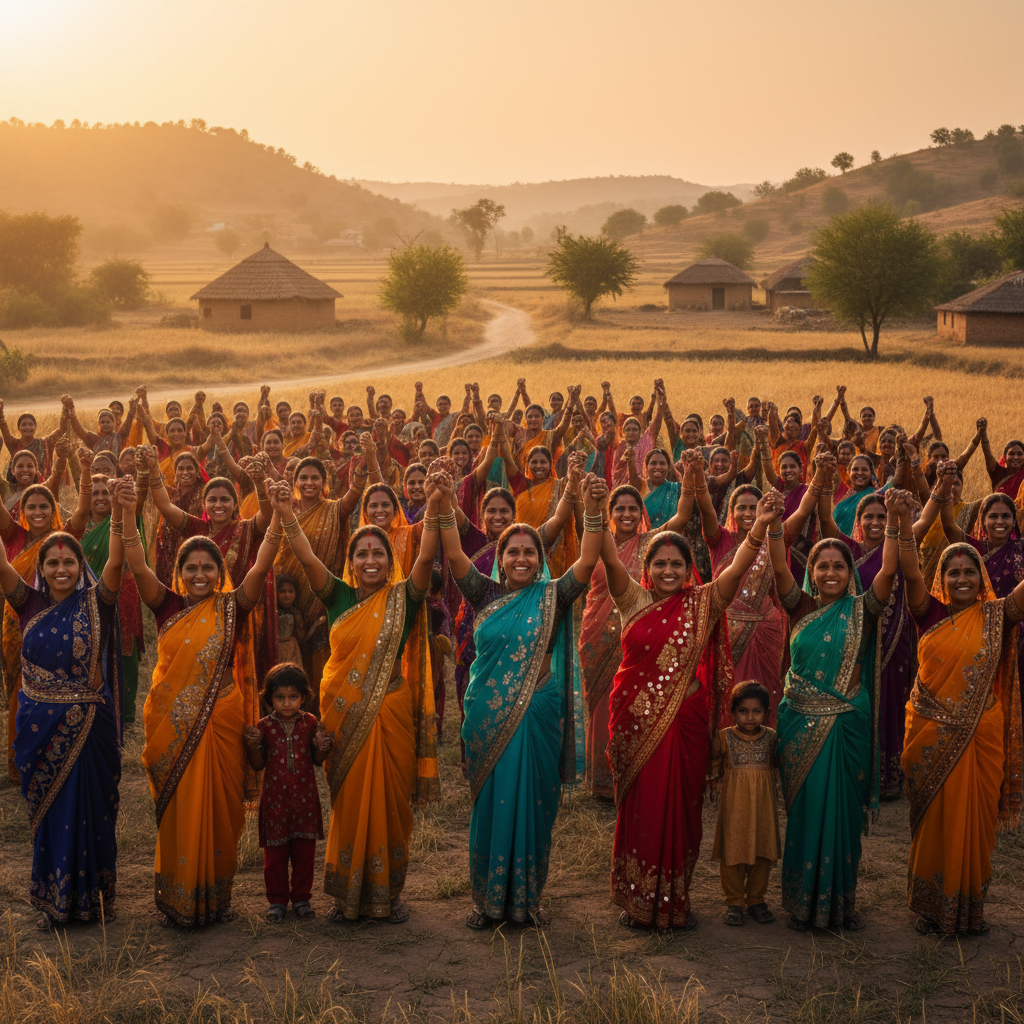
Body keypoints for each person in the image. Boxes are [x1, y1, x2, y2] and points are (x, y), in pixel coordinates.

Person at [601, 492, 780, 930]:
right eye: (659, 563)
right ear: (647, 569)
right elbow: (607, 557)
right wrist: (589, 508)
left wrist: (758, 529)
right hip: (641, 724)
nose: (667, 570)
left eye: (676, 564)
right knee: (643, 808)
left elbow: (736, 569)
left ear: (688, 569)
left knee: (683, 811)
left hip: (688, 723)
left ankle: (674, 899)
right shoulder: (632, 601)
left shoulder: (702, 603)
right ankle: (638, 900)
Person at [439, 470, 606, 929]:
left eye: (529, 551)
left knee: (535, 805)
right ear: (499, 556)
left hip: (539, 713)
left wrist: (593, 506)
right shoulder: (483, 593)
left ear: (540, 558)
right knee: (491, 805)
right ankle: (485, 902)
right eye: (512, 551)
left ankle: (528, 899)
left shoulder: (554, 595)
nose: (521, 558)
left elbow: (589, 561)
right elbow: (454, 554)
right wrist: (442, 498)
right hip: (488, 718)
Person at [270, 475, 439, 924]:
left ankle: (389, 893)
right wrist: (286, 513)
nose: (370, 560)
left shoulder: (405, 598)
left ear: (390, 561)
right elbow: (305, 555)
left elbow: (425, 556)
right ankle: (347, 893)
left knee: (390, 803)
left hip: (392, 714)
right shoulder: (339, 596)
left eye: (378, 553)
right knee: (349, 800)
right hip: (345, 719)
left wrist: (439, 500)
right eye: (361, 553)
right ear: (351, 561)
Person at [124, 481, 282, 927]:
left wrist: (279, 510)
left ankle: (217, 896)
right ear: (178, 572)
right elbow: (136, 563)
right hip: (172, 724)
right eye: (190, 567)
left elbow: (263, 561)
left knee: (222, 808)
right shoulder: (165, 605)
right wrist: (124, 512)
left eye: (208, 568)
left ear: (220, 572)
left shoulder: (234, 607)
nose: (199, 575)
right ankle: (177, 895)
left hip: (224, 719)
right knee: (181, 805)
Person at [767, 490, 901, 932]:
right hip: (800, 722)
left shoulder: (863, 610)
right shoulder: (799, 607)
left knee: (843, 815)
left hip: (848, 727)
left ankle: (841, 902)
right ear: (813, 572)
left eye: (838, 566)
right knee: (805, 814)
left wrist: (896, 524)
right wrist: (772, 526)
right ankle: (802, 904)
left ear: (849, 574)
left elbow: (886, 569)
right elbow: (781, 567)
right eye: (822, 566)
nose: (829, 572)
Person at [4, 483, 125, 929]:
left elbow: (116, 560)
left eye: (68, 561)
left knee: (91, 811)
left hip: (90, 727)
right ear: (41, 568)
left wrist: (123, 513)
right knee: (52, 815)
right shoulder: (27, 603)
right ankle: (54, 898)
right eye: (52, 563)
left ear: (80, 566)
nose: (60, 569)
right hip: (39, 729)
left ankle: (94, 900)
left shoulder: (98, 603)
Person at [898, 533, 1023, 935]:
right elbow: (910, 570)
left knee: (975, 822)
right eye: (954, 572)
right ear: (943, 578)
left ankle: (970, 906)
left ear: (982, 576)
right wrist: (901, 520)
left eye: (971, 571)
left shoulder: (997, 614)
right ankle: (933, 907)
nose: (963, 579)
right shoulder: (928, 613)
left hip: (981, 735)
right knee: (937, 818)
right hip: (930, 733)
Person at [579, 477, 694, 798]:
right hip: (597, 635)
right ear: (610, 513)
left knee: (633, 703)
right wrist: (593, 504)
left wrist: (692, 477)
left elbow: (682, 516)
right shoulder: (600, 539)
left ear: (642, 512)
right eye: (620, 509)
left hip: (640, 638)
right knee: (603, 703)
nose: (627, 514)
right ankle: (602, 782)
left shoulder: (652, 543)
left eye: (633, 508)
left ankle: (633, 772)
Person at [2, 464, 90, 781]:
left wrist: (85, 473)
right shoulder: (14, 535)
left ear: (52, 509)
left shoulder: (62, 540)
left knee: (56, 690)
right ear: (21, 511)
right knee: (19, 690)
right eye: (31, 507)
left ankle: (56, 756)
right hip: (17, 628)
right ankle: (20, 761)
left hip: (60, 630)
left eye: (44, 506)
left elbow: (81, 512)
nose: (38, 512)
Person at [244, 663, 332, 923]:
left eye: (293, 697)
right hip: (275, 803)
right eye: (279, 697)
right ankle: (277, 901)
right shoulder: (264, 726)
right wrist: (252, 747)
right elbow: (258, 765)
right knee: (275, 856)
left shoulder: (310, 723)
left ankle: (302, 899)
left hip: (304, 802)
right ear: (269, 698)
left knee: (305, 853)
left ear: (303, 697)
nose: (286, 704)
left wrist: (324, 747)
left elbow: (317, 760)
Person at [709, 680, 781, 927]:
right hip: (735, 809)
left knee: (762, 851)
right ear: (733, 712)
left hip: (763, 808)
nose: (750, 717)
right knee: (733, 852)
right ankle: (734, 902)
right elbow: (709, 766)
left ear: (767, 713)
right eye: (743, 711)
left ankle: (757, 900)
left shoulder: (772, 738)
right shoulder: (724, 738)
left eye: (756, 711)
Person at [81, 469, 147, 724]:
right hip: (87, 597)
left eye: (104, 493)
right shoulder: (79, 527)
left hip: (122, 592)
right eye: (94, 493)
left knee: (122, 648)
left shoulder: (126, 522)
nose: (99, 498)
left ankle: (124, 709)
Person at [276, 573, 308, 666]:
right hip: (275, 651)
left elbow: (302, 637)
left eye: (290, 591)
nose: (287, 595)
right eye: (282, 591)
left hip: (293, 652)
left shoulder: (296, 613)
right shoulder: (270, 612)